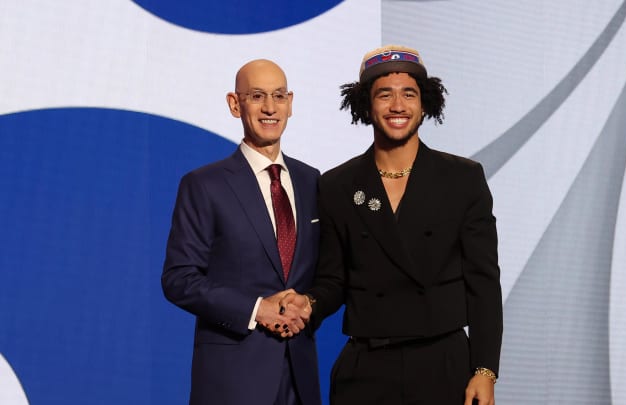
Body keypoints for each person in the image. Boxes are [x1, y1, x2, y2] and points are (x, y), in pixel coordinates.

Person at [281, 45, 503, 405]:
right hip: (367, 369)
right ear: (366, 105)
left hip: (445, 365)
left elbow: (484, 282)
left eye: (408, 94)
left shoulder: (463, 178)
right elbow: (333, 280)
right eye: (385, 94)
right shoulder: (338, 185)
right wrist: (307, 303)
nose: (397, 105)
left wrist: (484, 370)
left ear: (425, 102)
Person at [161, 59, 321, 405]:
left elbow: (324, 272)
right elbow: (179, 278)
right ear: (235, 104)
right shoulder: (204, 185)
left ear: (290, 103)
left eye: (278, 96)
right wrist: (256, 309)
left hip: (300, 376)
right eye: (257, 96)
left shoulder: (312, 181)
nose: (269, 108)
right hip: (232, 379)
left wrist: (308, 303)